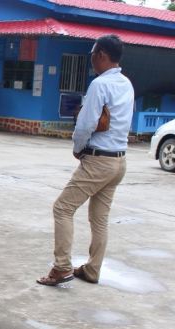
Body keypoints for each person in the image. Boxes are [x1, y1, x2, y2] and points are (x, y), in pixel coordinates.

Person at [37, 35, 134, 286]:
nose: (91, 59)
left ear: (101, 54)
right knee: (99, 219)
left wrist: (78, 148)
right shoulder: (126, 84)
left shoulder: (100, 85)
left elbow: (86, 124)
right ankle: (92, 270)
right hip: (119, 162)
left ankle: (61, 268)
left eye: (92, 54)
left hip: (99, 160)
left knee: (63, 208)